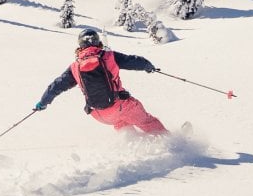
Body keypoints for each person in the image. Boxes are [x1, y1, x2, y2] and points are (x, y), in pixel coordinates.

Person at [32, 27, 169, 135]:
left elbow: (55, 86)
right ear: (98, 42)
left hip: (98, 114)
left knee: (122, 123)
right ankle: (168, 140)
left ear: (80, 46)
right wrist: (148, 66)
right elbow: (133, 60)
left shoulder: (75, 67)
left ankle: (133, 144)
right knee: (146, 121)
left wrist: (43, 102)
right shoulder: (109, 56)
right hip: (119, 105)